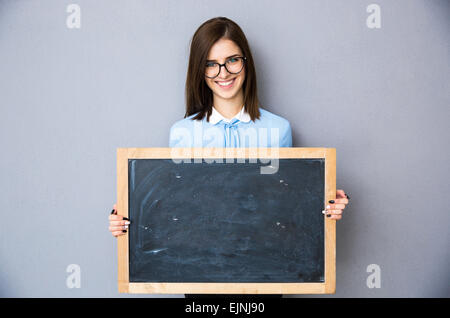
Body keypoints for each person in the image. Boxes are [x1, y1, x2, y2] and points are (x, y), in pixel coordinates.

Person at [108, 17, 350, 298]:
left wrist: (324, 206)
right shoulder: (183, 133)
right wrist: (126, 219)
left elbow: (285, 210)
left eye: (232, 60)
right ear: (200, 70)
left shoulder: (277, 130)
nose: (223, 72)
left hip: (265, 277)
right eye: (211, 64)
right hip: (200, 280)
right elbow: (173, 213)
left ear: (246, 62)